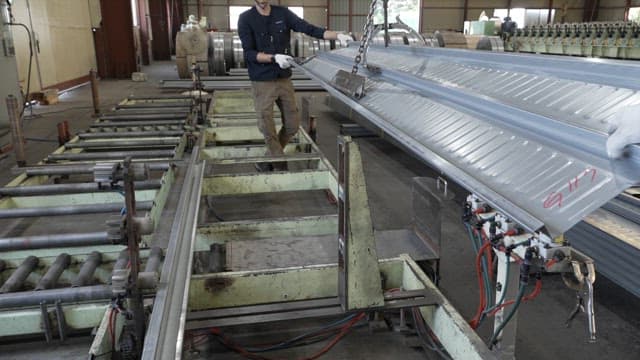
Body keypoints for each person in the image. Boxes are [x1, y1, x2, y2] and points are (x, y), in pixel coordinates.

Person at [238, 0, 352, 171]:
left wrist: (338, 36)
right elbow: (249, 53)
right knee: (266, 126)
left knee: (292, 125)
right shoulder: (246, 18)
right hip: (262, 81)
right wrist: (273, 58)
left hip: (283, 78)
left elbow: (309, 28)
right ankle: (280, 165)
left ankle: (266, 160)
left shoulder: (282, 14)